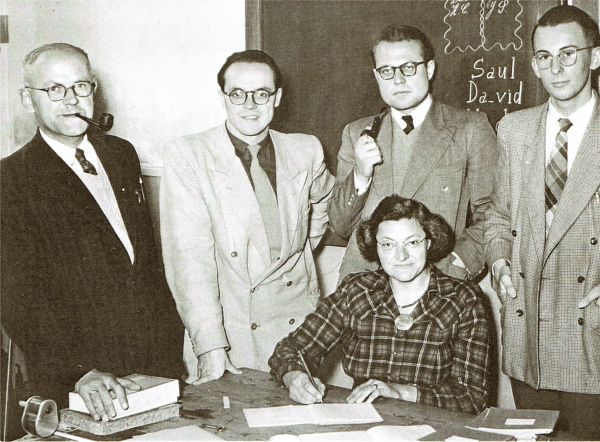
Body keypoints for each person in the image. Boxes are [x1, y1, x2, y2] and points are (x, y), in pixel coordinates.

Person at [0, 43, 182, 422]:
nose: (71, 100)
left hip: (150, 367)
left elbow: (141, 263)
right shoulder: (11, 179)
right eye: (54, 89)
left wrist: (168, 355)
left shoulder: (121, 154)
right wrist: (78, 369)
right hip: (79, 380)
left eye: (81, 86)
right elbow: (17, 296)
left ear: (94, 90)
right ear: (28, 99)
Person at [160, 50, 335, 384]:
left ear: (278, 97)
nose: (249, 105)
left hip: (297, 327)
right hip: (231, 331)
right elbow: (189, 261)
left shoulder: (305, 149)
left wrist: (296, 250)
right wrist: (210, 346)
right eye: (238, 94)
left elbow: (325, 202)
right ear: (223, 97)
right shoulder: (188, 154)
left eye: (262, 94)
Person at [484, 5, 600, 439]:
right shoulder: (514, 130)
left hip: (591, 332)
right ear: (533, 63)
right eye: (544, 56)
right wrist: (498, 262)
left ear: (595, 56)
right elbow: (497, 212)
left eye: (569, 53)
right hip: (527, 330)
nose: (556, 67)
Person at [270, 195, 491, 414]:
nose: (401, 255)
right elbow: (290, 350)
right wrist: (295, 378)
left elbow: (472, 397)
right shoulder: (357, 292)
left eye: (412, 242)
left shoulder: (463, 300)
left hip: (434, 427)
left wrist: (400, 392)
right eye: (388, 244)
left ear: (429, 243)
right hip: (363, 425)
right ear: (375, 248)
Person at [328, 24, 497, 283]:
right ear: (376, 76)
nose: (398, 80)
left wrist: (459, 264)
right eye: (387, 71)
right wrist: (360, 176)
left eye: (408, 68)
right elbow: (340, 227)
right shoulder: (356, 133)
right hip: (363, 287)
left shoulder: (470, 128)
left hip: (436, 282)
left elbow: (493, 212)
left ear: (429, 69)